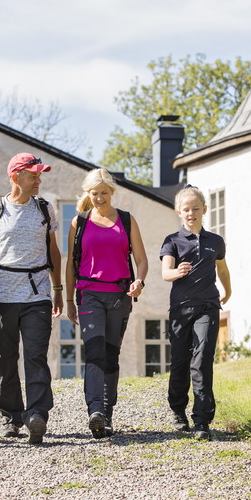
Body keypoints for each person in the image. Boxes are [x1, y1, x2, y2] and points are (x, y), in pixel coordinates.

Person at [0, 152, 63, 445]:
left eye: (39, 175)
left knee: (36, 356)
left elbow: (53, 252)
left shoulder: (44, 209)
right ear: (15, 176)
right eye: (33, 175)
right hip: (2, 295)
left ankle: (37, 414)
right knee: (4, 359)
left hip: (37, 294)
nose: (39, 179)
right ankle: (11, 417)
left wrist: (58, 288)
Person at [65, 168, 148, 439]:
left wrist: (140, 281)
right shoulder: (79, 223)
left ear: (111, 192)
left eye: (103, 193)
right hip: (89, 293)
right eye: (94, 193)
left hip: (120, 296)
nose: (99, 198)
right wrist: (68, 299)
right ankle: (95, 411)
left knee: (111, 355)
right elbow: (70, 264)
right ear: (87, 195)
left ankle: (107, 414)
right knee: (94, 351)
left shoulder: (126, 220)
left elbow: (142, 260)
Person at [160, 184, 232, 441]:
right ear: (179, 212)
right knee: (180, 361)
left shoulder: (215, 241)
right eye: (186, 209)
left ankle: (202, 420)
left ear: (204, 210)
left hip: (208, 307)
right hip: (180, 309)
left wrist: (228, 290)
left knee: (201, 361)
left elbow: (222, 269)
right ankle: (178, 410)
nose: (191, 213)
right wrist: (176, 272)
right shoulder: (172, 241)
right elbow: (165, 272)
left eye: (195, 209)